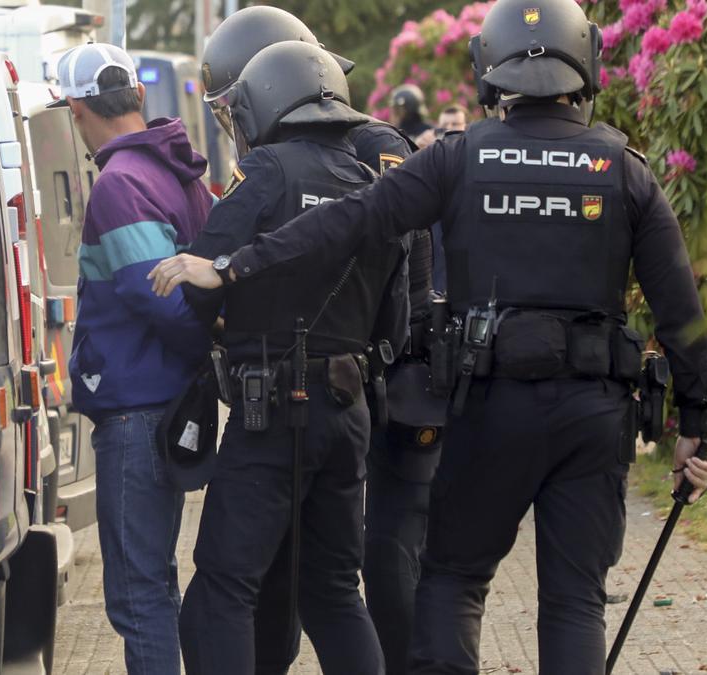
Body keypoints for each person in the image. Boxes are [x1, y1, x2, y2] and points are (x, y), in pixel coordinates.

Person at [149, 0, 707, 671]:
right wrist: (696, 423)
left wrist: (234, 262)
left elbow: (352, 221)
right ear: (588, 63)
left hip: (491, 409)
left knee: (452, 580)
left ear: (489, 67)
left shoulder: (459, 157)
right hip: (593, 416)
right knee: (573, 603)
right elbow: (679, 309)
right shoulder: (626, 169)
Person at [171, 40, 401, 674]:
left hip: (268, 409)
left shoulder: (267, 170)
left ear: (266, 103)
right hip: (348, 409)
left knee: (222, 591)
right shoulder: (373, 183)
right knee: (332, 593)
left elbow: (200, 273)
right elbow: (395, 319)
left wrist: (224, 327)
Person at [51, 42, 213, 674]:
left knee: (137, 595)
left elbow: (163, 300)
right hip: (171, 403)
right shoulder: (179, 172)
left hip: (136, 411)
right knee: (157, 579)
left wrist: (200, 343)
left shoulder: (119, 183)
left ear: (74, 109)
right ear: (139, 96)